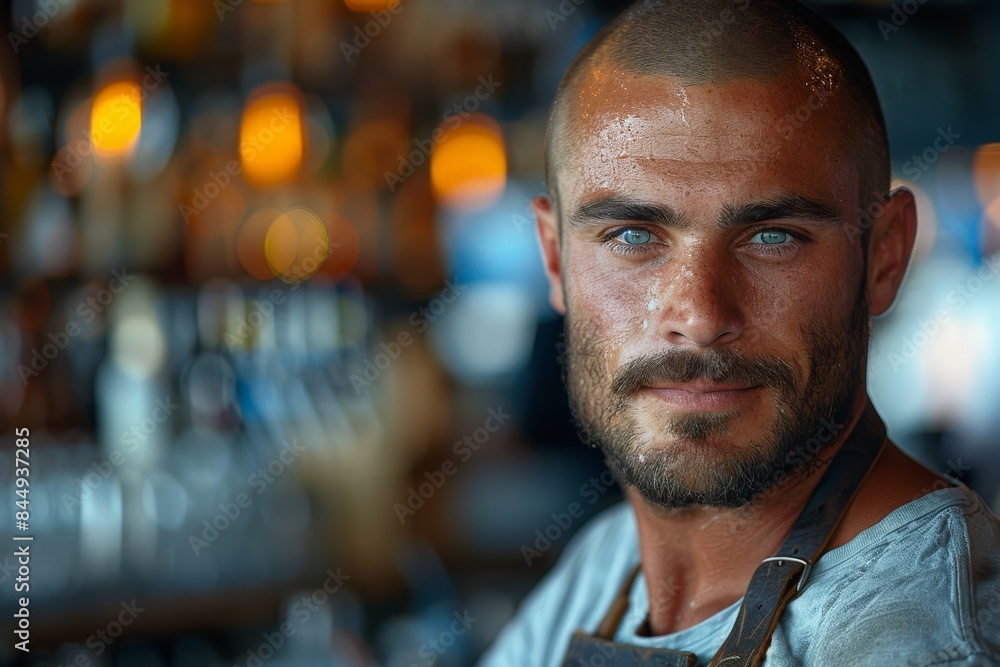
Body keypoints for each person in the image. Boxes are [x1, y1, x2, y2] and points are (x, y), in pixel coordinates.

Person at [477, 0, 1000, 665]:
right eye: (633, 236)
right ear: (555, 258)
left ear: (884, 257)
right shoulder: (608, 561)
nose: (699, 314)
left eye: (772, 237)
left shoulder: (921, 633)